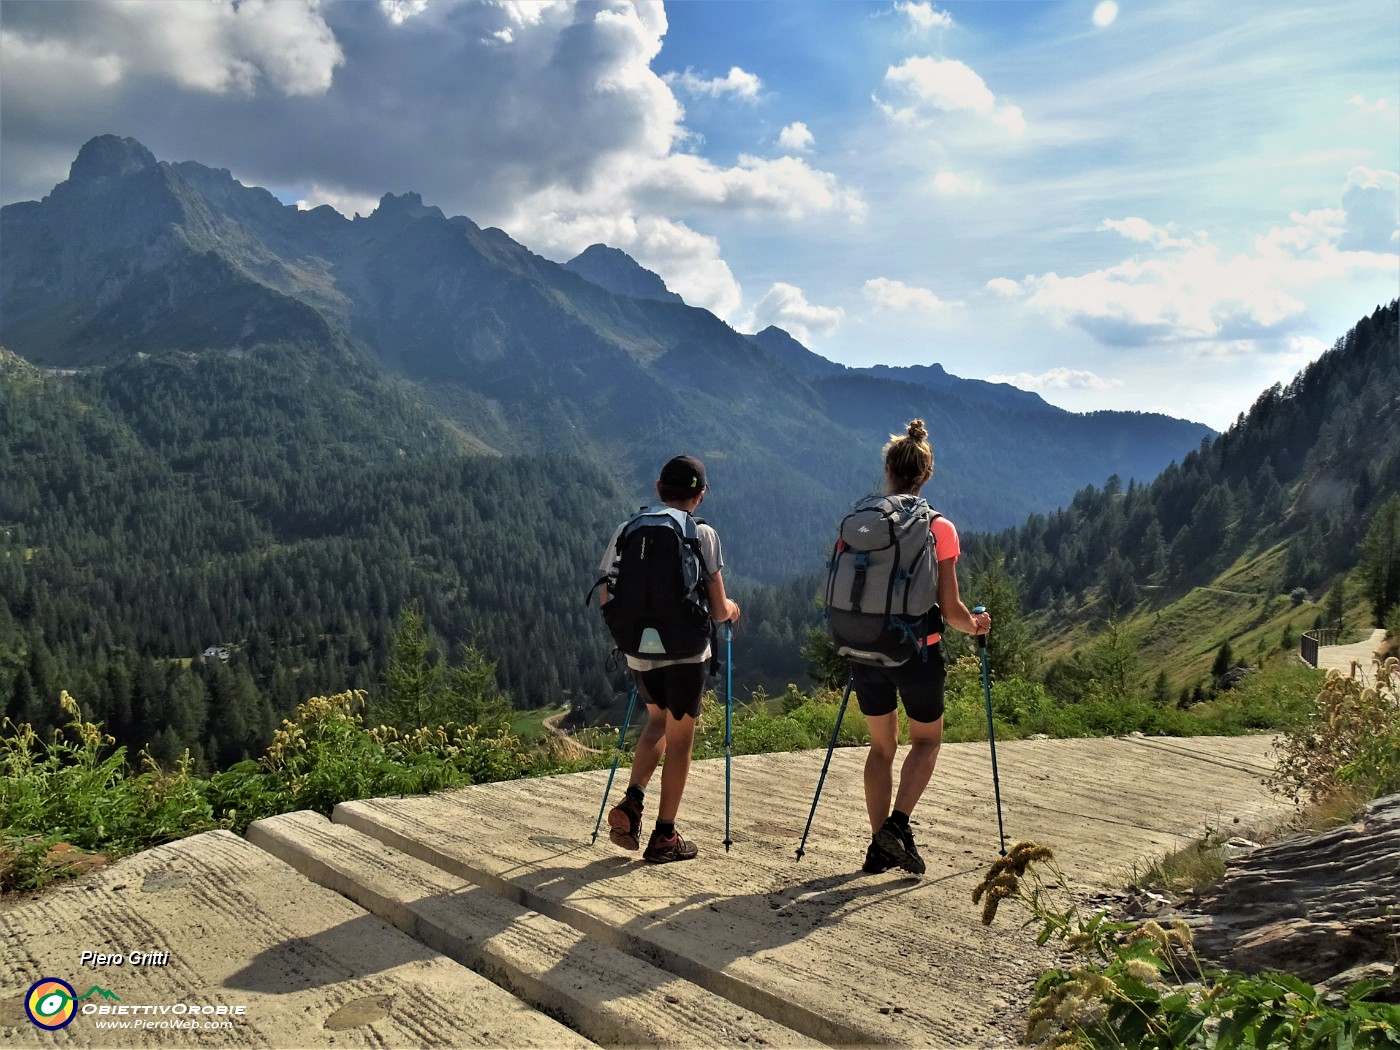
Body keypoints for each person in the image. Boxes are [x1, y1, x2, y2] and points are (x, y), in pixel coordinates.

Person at [857, 419, 990, 875]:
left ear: (888, 470)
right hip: (918, 649)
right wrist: (976, 628)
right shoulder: (939, 528)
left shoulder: (864, 521)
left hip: (865, 648)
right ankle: (897, 825)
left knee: (881, 748)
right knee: (927, 740)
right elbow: (950, 608)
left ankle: (879, 847)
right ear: (926, 476)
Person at [596, 454, 740, 863]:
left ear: (659, 489)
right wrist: (732, 610)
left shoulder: (627, 529)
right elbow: (716, 608)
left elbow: (607, 594)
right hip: (686, 653)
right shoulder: (701, 534)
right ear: (700, 495)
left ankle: (633, 800)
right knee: (680, 741)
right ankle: (665, 836)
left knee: (656, 721)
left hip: (639, 650)